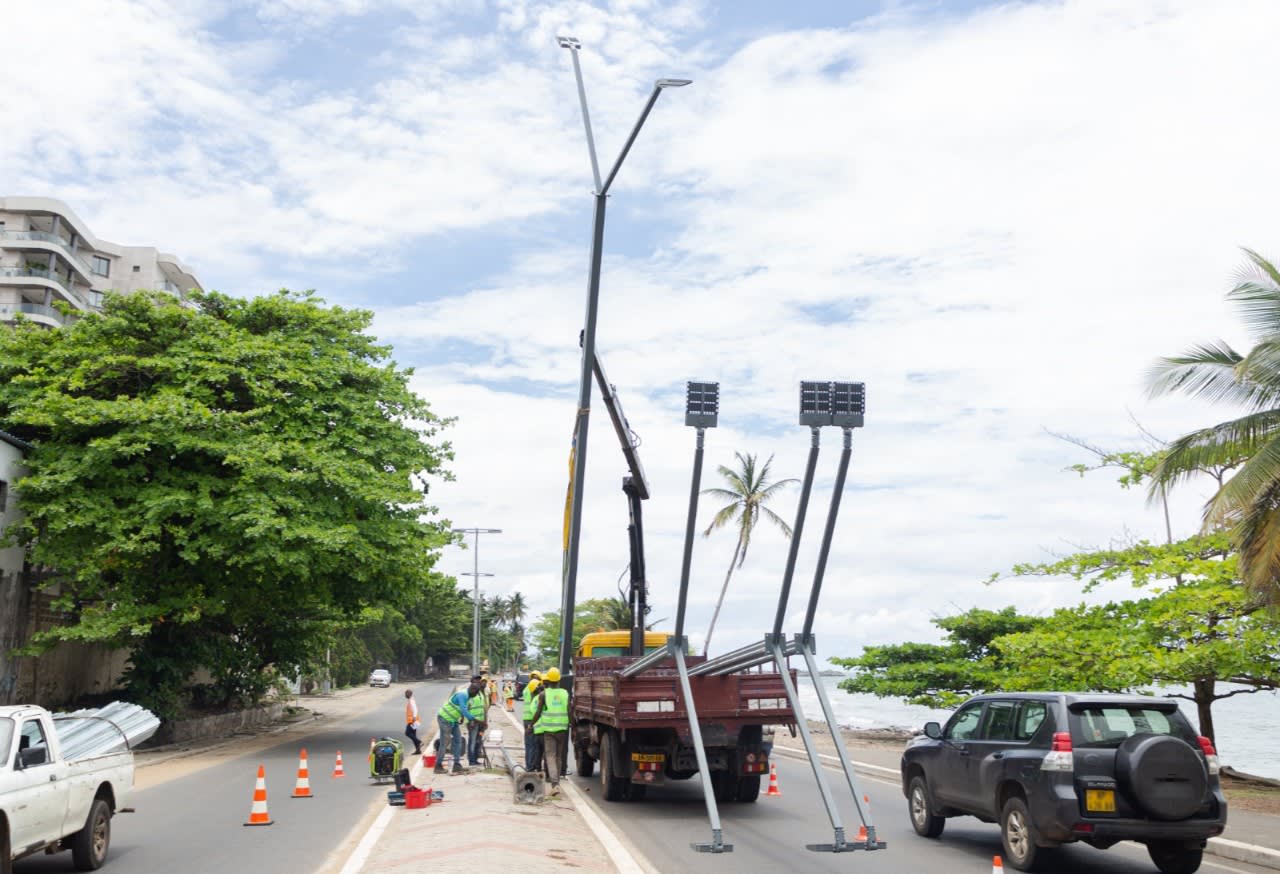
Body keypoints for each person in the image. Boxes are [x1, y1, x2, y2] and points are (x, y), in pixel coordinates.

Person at [531, 667, 570, 794]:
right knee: (558, 756)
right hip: (562, 730)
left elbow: (538, 712)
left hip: (548, 730)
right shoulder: (565, 693)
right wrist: (573, 725)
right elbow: (570, 711)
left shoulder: (544, 694)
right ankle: (556, 781)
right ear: (559, 680)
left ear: (548, 679)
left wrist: (531, 724)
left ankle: (555, 784)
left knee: (550, 756)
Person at [435, 686, 476, 775]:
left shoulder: (468, 697)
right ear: (472, 690)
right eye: (475, 693)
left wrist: (461, 717)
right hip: (444, 719)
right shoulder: (462, 694)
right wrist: (472, 719)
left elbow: (462, 708)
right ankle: (437, 766)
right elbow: (463, 709)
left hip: (453, 721)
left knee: (458, 741)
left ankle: (456, 765)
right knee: (444, 743)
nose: (475, 696)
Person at [522, 677, 543, 773]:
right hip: (531, 722)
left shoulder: (528, 692)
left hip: (527, 720)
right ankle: (531, 766)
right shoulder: (536, 699)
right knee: (532, 745)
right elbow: (537, 714)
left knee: (529, 745)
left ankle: (529, 765)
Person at [467, 676, 488, 767]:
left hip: (481, 722)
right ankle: (471, 761)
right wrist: (469, 721)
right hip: (473, 723)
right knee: (472, 742)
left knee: (478, 741)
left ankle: (475, 759)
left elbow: (483, 709)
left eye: (479, 681)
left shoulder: (480, 693)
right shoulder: (469, 693)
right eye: (476, 681)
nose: (478, 682)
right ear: (472, 682)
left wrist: (485, 722)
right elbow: (465, 709)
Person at [403, 689, 423, 755]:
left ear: (408, 694)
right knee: (413, 735)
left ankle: (419, 742)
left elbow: (415, 709)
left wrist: (414, 717)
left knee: (407, 733)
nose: (405, 695)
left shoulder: (411, 701)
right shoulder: (411, 700)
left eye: (406, 694)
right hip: (413, 720)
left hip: (412, 720)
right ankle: (418, 750)